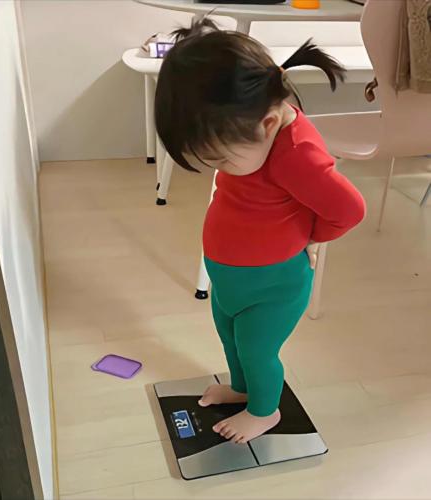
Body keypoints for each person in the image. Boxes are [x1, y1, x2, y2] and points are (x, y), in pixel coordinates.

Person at [154, 19, 366, 444]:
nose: (216, 169)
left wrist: (313, 237)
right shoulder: (256, 131)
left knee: (256, 349)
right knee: (230, 336)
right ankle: (242, 389)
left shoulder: (296, 156)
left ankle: (264, 411)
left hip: (273, 285)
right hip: (232, 276)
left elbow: (349, 209)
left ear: (268, 124)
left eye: (219, 160)